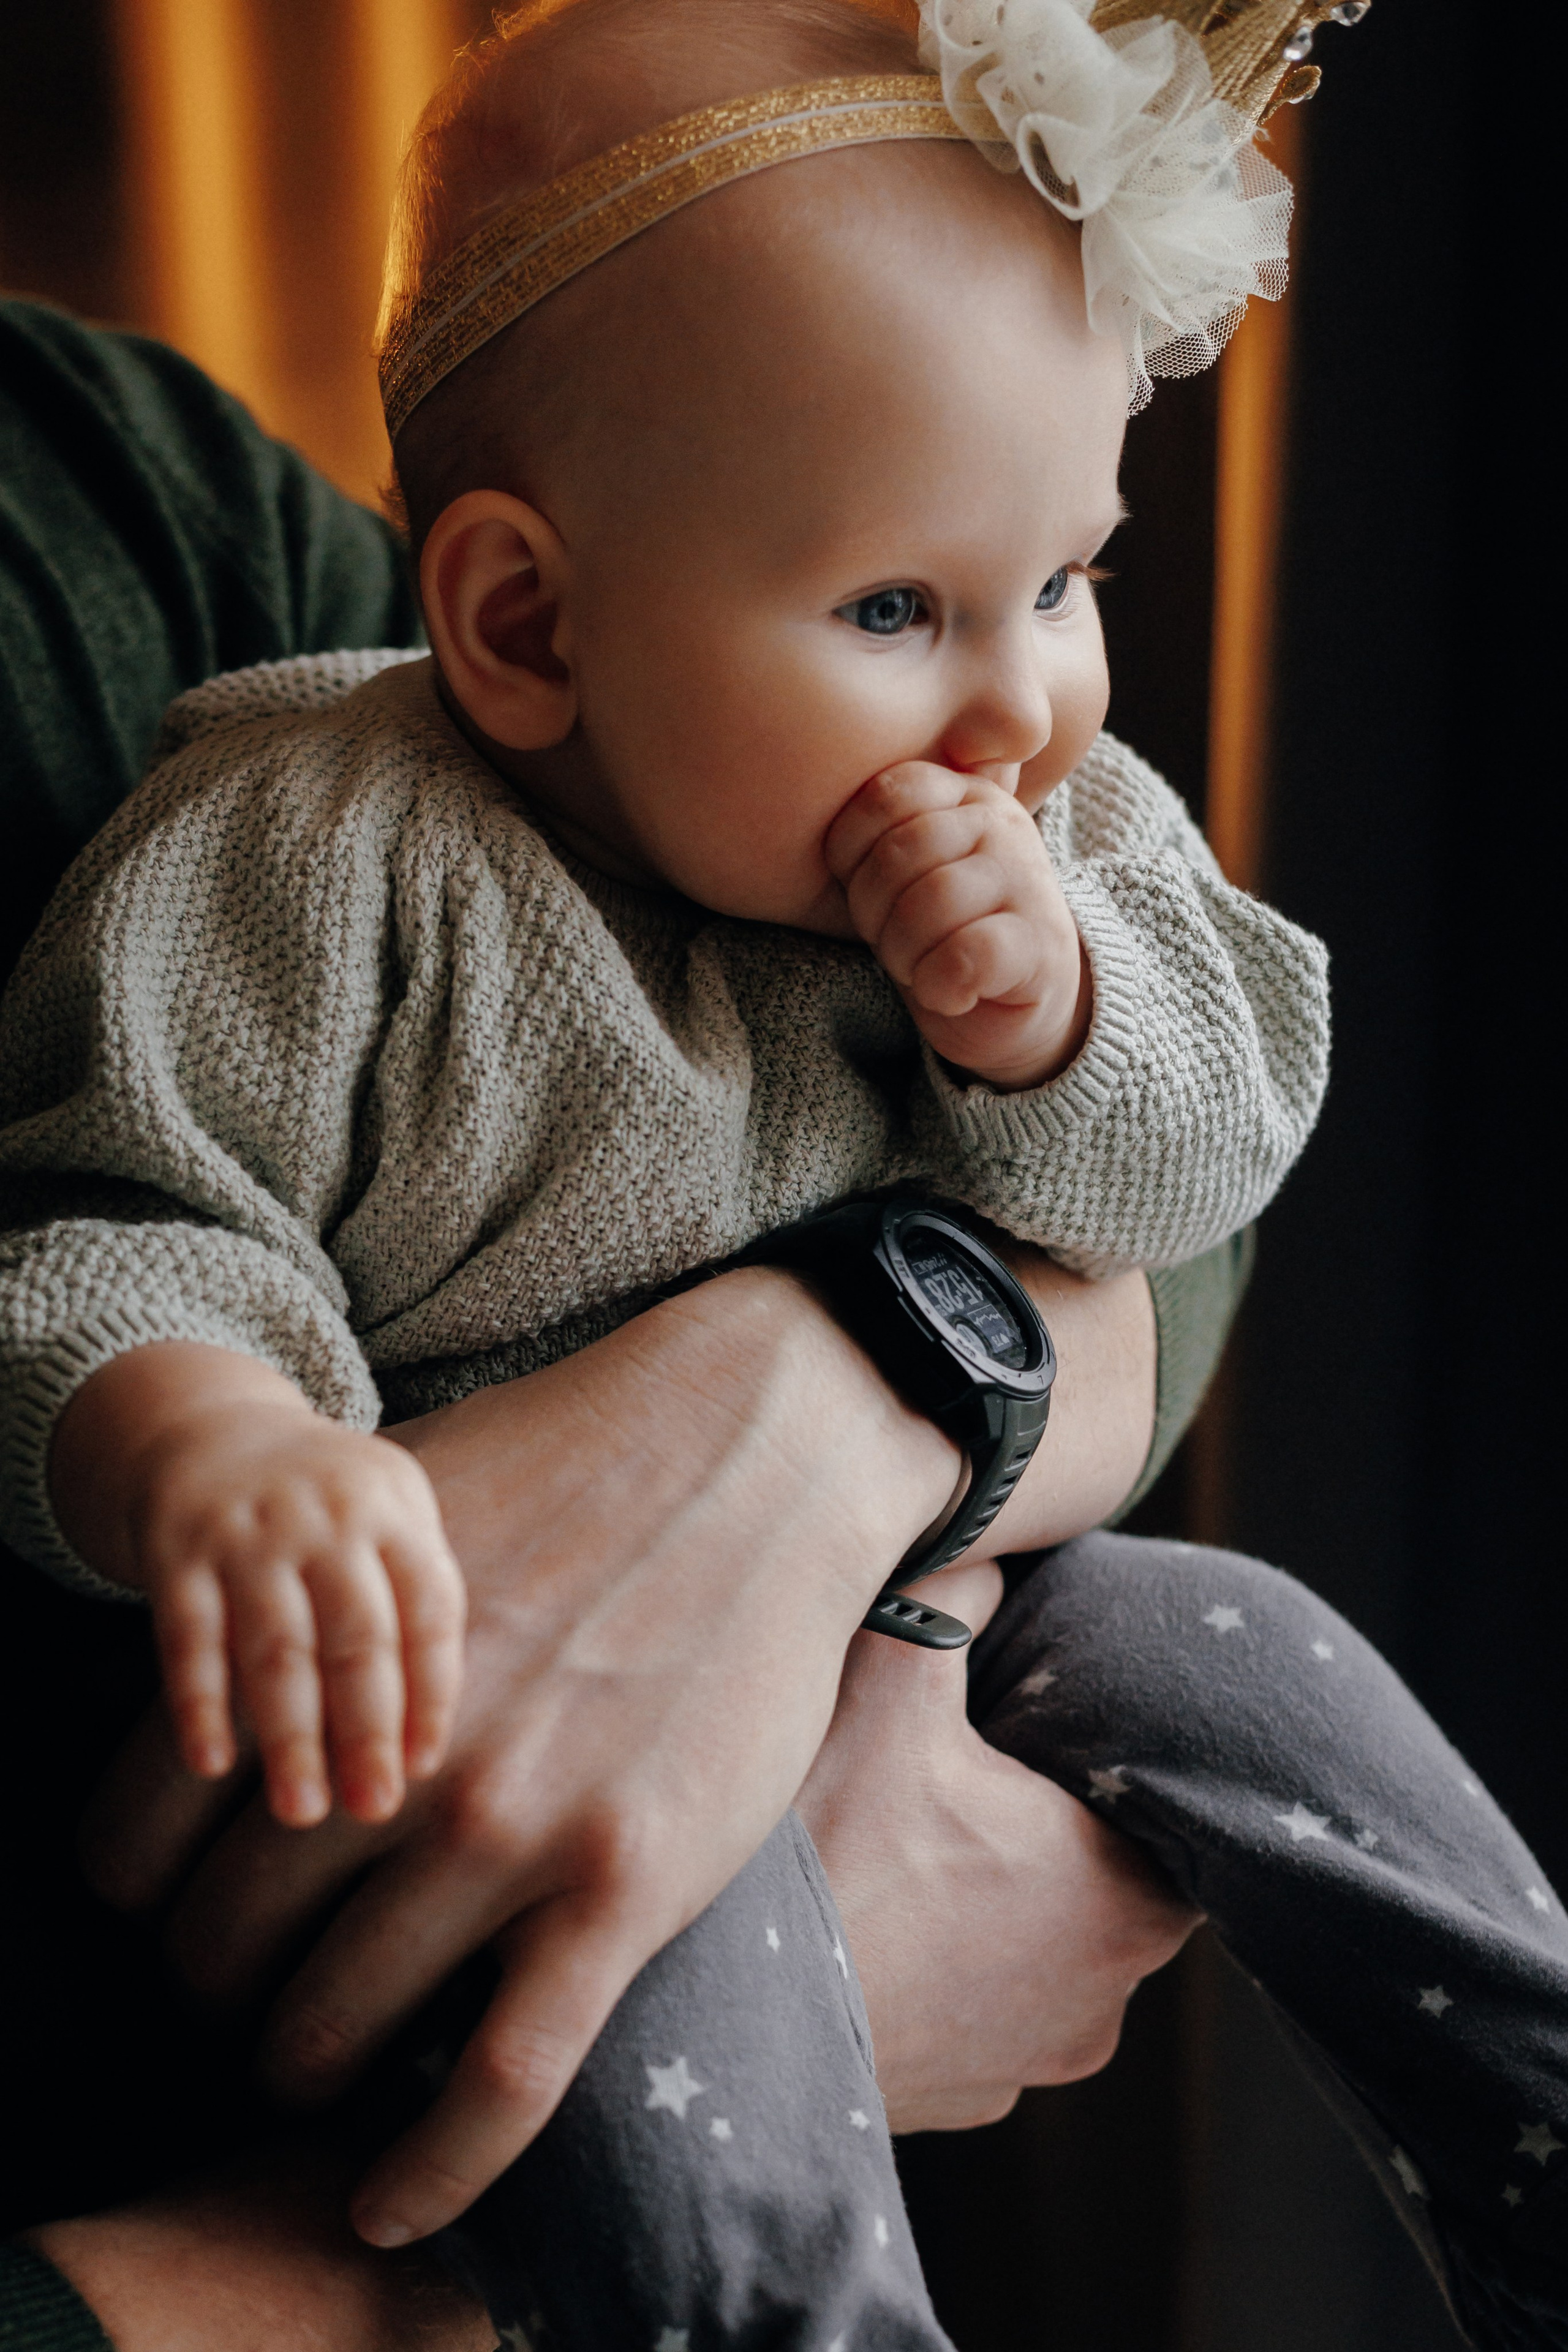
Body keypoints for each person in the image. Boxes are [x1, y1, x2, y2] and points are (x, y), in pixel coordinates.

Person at [2, 8, 1564, 2351]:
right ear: (524, 626)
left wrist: (1050, 1024)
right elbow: (128, 1230)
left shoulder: (1044, 836)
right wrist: (212, 1446)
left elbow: (1203, 1175)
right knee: (715, 2102)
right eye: (892, 612)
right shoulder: (318, 864)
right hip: (506, 1779)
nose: (1022, 703)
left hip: (954, 1598)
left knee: (1277, 1681)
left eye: (1063, 577)